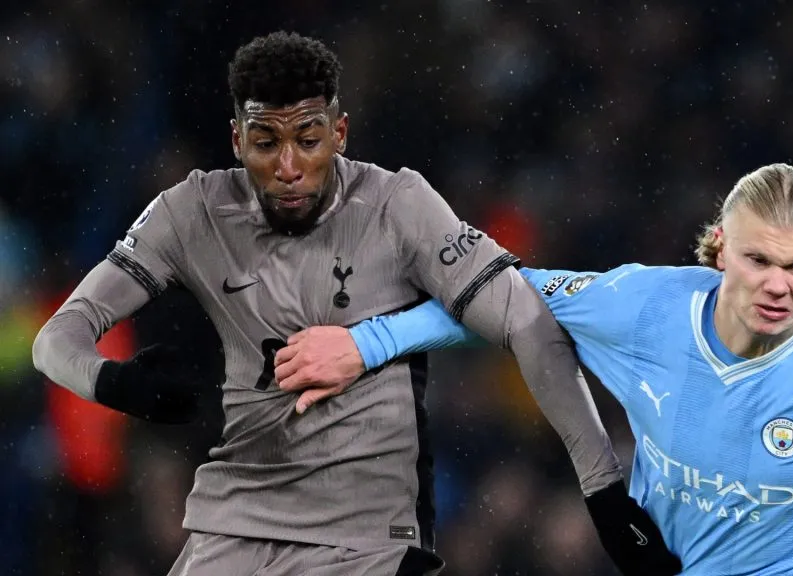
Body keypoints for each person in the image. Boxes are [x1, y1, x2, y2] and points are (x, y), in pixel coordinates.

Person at [31, 31, 680, 576]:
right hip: (237, 523)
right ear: (236, 140)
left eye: (308, 139)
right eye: (266, 142)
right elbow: (56, 339)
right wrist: (114, 382)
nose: (289, 166)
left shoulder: (399, 207)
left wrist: (602, 489)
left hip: (368, 533)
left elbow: (526, 318)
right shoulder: (189, 213)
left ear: (339, 132)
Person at [335, 162, 793, 575]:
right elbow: (502, 296)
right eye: (758, 260)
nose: (778, 285)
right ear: (720, 248)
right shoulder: (647, 308)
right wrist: (366, 344)